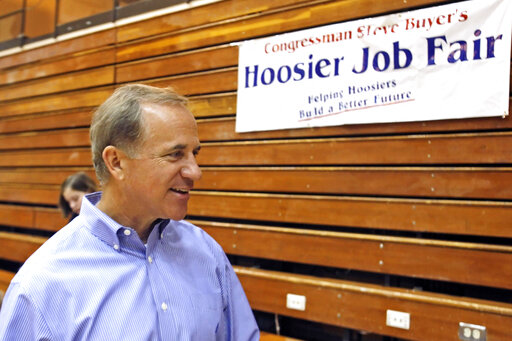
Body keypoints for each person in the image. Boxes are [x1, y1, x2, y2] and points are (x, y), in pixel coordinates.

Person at [0, 84, 260, 340]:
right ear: (116, 162)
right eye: (175, 154)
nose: (195, 172)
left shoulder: (206, 253)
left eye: (194, 154)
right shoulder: (41, 285)